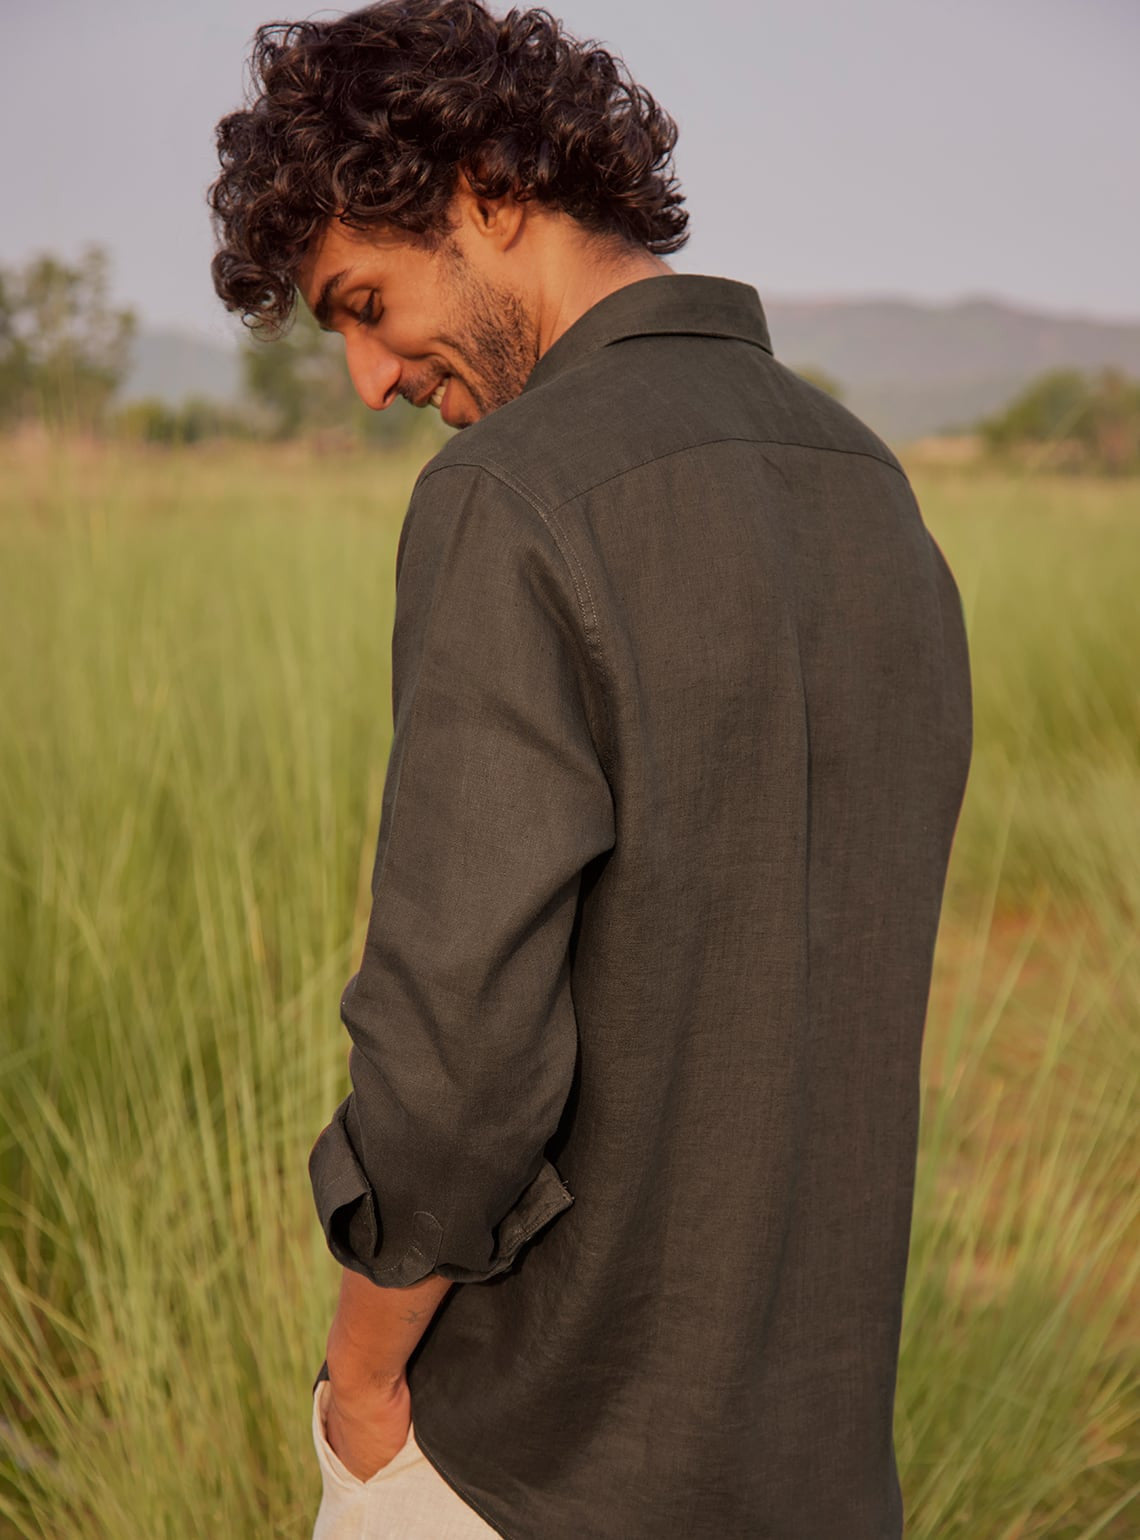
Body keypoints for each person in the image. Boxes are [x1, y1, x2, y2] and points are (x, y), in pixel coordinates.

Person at [208, 2, 973, 1536]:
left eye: (364, 299)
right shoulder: (867, 484)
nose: (366, 380)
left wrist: (358, 1393)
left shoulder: (510, 494)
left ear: (488, 188)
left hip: (526, 1463)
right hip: (818, 1467)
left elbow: (454, 1057)